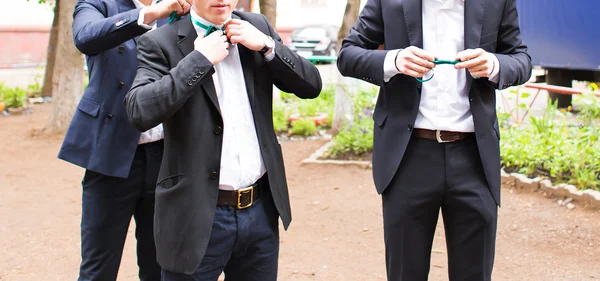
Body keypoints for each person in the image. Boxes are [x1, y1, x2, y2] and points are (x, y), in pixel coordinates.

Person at [123, 0, 322, 279]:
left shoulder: (257, 26)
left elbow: (311, 85)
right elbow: (139, 110)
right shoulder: (160, 41)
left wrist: (268, 46)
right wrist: (199, 60)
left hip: (260, 212)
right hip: (195, 216)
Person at [337, 0, 532, 280]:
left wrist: (494, 64)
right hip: (407, 157)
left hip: (474, 158)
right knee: (406, 272)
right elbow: (348, 55)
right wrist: (393, 61)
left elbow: (521, 60)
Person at [58, 0, 192, 280]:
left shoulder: (183, 9)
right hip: (110, 155)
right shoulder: (98, 4)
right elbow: (85, 37)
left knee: (160, 265)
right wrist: (151, 13)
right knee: (98, 267)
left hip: (168, 157)